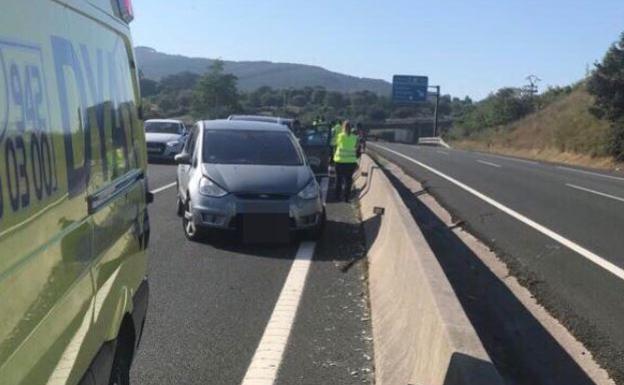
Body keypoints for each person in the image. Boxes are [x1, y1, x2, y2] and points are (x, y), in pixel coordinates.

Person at [333, 120, 360, 202]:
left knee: (339, 180)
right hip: (351, 162)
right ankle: (346, 198)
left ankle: (337, 197)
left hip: (340, 161)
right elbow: (357, 147)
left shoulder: (340, 136)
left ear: (343, 128)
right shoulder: (355, 138)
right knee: (348, 181)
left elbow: (336, 144)